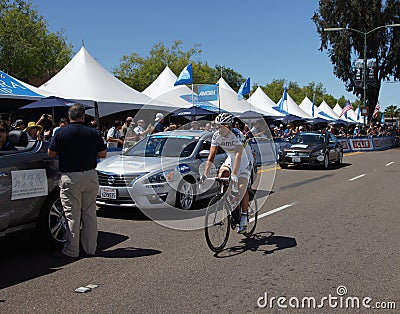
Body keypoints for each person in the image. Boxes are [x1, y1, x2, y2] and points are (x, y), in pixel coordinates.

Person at [48, 104, 107, 258]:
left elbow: (51, 154)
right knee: (90, 213)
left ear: (69, 116)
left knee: (72, 214)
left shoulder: (61, 133)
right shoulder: (93, 133)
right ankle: (90, 249)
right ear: (83, 116)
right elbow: (102, 154)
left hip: (70, 176)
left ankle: (72, 250)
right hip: (90, 174)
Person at [202, 113, 254, 234]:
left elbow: (238, 156)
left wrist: (235, 175)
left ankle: (244, 217)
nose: (219, 129)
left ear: (229, 127)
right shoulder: (216, 136)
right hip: (231, 158)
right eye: (217, 126)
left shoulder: (237, 135)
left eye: (221, 126)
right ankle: (231, 202)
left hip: (245, 159)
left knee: (241, 187)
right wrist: (205, 175)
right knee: (222, 176)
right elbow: (211, 157)